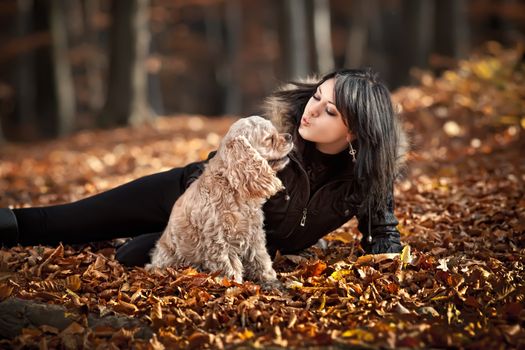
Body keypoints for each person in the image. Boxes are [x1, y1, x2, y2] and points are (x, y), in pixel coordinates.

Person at [0, 68, 407, 267]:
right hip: (186, 195)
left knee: (132, 256)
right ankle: (11, 224)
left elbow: (383, 237)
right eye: (316, 96)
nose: (312, 110)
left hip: (224, 242)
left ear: (355, 131)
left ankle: (133, 238)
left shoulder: (367, 178)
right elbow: (213, 178)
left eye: (329, 110)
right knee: (69, 220)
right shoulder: (271, 141)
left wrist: (389, 267)